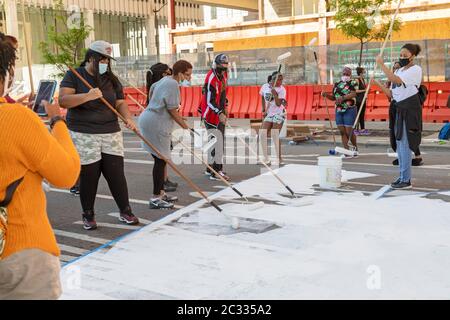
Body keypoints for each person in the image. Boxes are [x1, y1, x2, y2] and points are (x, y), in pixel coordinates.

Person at [0, 36, 80, 299]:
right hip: (19, 255)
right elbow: (66, 174)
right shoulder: (17, 119)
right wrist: (57, 122)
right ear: (6, 73)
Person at [59, 40, 139, 230]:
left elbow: (120, 103)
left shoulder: (111, 78)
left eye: (107, 59)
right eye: (102, 59)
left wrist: (128, 118)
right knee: (89, 175)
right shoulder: (74, 75)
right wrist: (87, 96)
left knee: (116, 173)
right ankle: (88, 214)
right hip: (84, 132)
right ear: (91, 58)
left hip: (111, 131)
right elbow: (63, 100)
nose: (105, 63)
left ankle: (125, 210)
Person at [139, 60, 192, 209]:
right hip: (156, 123)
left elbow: (159, 102)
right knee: (160, 160)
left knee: (160, 160)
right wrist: (185, 127)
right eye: (187, 74)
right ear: (179, 73)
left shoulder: (164, 80)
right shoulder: (172, 83)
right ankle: (156, 197)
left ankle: (161, 193)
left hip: (151, 119)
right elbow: (172, 110)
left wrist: (181, 120)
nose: (189, 78)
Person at [375, 43, 423, 189]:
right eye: (400, 55)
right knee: (400, 145)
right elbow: (391, 94)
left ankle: (406, 179)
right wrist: (377, 83)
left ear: (413, 56)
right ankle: (402, 176)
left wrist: (382, 65)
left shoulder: (415, 69)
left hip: (409, 111)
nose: (402, 57)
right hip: (398, 109)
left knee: (405, 146)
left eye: (405, 55)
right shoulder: (400, 70)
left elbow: (396, 80)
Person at [382, 61, 424, 167]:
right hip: (395, 106)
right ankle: (402, 156)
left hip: (405, 108)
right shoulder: (393, 81)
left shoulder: (406, 79)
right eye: (394, 68)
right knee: (397, 132)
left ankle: (416, 156)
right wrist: (386, 86)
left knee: (408, 131)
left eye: (397, 68)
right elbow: (390, 97)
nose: (395, 70)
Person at [145, 63, 178, 192]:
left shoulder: (157, 86)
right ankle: (162, 182)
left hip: (162, 125)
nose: (170, 74)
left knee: (164, 156)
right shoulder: (158, 87)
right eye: (167, 72)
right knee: (161, 157)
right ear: (163, 74)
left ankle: (165, 179)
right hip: (159, 127)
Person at [199, 53, 230, 181]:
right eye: (221, 68)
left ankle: (210, 167)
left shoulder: (224, 75)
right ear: (215, 65)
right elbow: (209, 101)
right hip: (210, 113)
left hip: (219, 110)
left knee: (214, 141)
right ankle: (216, 171)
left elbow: (223, 93)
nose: (223, 71)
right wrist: (219, 112)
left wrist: (226, 106)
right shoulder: (211, 78)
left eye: (225, 68)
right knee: (218, 141)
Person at [321, 66, 358, 155]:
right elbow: (334, 97)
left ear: (350, 74)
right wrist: (326, 95)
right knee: (342, 132)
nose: (345, 75)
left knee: (349, 131)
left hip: (350, 109)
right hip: (339, 109)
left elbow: (354, 94)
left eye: (347, 74)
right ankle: (346, 151)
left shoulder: (353, 82)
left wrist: (343, 97)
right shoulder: (337, 84)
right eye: (344, 74)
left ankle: (355, 148)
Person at [259, 71, 287, 166]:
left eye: (281, 79)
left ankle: (279, 158)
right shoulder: (265, 86)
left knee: (275, 135)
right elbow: (262, 97)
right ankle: (266, 158)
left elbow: (279, 104)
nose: (281, 81)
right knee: (262, 134)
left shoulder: (282, 89)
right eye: (279, 79)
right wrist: (263, 109)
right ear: (273, 80)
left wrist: (275, 94)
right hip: (269, 113)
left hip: (279, 113)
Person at [354, 67, 369, 136]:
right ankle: (355, 129)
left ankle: (362, 129)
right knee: (357, 114)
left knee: (362, 114)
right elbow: (356, 91)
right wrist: (364, 90)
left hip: (363, 99)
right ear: (360, 73)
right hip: (358, 100)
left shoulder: (363, 80)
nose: (364, 74)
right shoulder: (357, 80)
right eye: (364, 72)